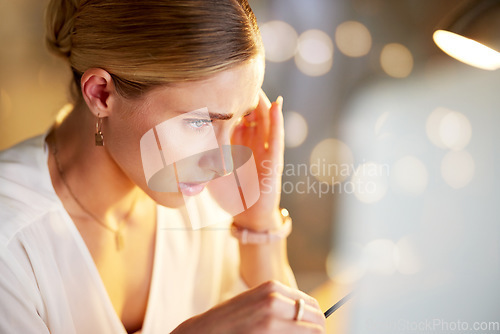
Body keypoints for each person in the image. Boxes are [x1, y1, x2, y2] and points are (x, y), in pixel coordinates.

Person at [0, 0, 326, 333]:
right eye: (200, 122)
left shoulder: (204, 204)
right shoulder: (11, 243)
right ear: (100, 94)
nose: (224, 164)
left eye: (240, 119)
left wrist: (257, 222)